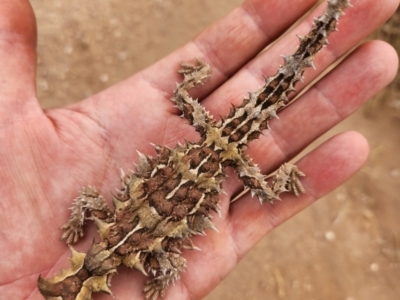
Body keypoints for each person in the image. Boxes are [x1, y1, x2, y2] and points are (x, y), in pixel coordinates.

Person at [0, 0, 398, 299]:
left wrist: (159, 282)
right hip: (212, 147)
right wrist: (75, 225)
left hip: (214, 149)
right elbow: (88, 200)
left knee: (274, 154)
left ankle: (331, 14)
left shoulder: (144, 254)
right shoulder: (108, 223)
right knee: (264, 164)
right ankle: (330, 15)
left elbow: (169, 264)